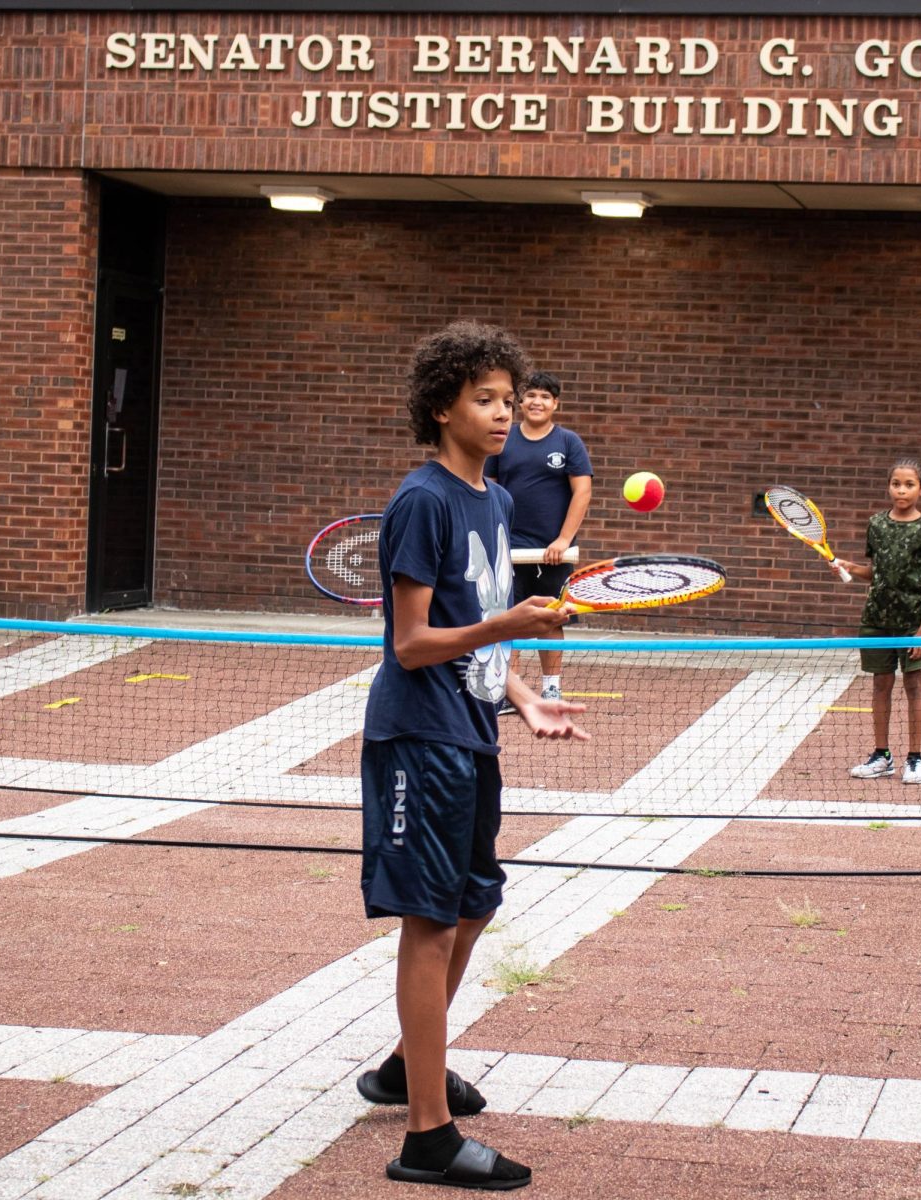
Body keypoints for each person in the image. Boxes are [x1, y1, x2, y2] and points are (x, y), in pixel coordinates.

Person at [356, 321, 589, 1191]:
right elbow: (413, 643)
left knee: (474, 903)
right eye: (485, 399)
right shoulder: (423, 501)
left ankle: (402, 1066)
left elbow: (480, 640)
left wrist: (526, 696)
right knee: (429, 921)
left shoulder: (493, 502)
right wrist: (507, 629)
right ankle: (426, 1134)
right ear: (440, 405)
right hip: (417, 733)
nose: (501, 414)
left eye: (506, 398)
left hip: (473, 730)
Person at [832, 456, 921, 785]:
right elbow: (876, 574)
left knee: (914, 686)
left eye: (909, 484)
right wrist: (849, 567)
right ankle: (882, 756)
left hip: (912, 623)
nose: (901, 490)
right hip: (876, 620)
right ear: (889, 487)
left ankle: (915, 757)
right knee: (880, 686)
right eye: (896, 483)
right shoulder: (876, 524)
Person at [484, 371, 592, 704]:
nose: (537, 402)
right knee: (507, 620)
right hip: (508, 549)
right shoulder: (503, 438)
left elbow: (582, 491)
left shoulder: (568, 442)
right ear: (520, 401)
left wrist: (563, 540)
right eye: (530, 395)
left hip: (552, 553)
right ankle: (508, 692)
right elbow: (485, 487)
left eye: (545, 396)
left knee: (550, 618)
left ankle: (551, 688)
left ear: (555, 404)